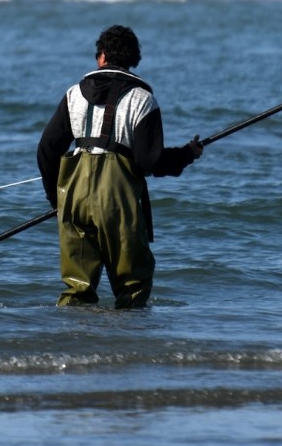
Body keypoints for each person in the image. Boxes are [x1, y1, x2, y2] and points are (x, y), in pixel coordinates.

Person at [37, 25, 203, 308]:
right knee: (132, 286)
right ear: (133, 59)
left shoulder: (73, 95)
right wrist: (186, 155)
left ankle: (69, 344)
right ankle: (129, 348)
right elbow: (148, 161)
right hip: (119, 203)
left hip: (74, 200)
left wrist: (57, 200)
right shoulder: (143, 100)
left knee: (77, 288)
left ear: (101, 57)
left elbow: (47, 151)